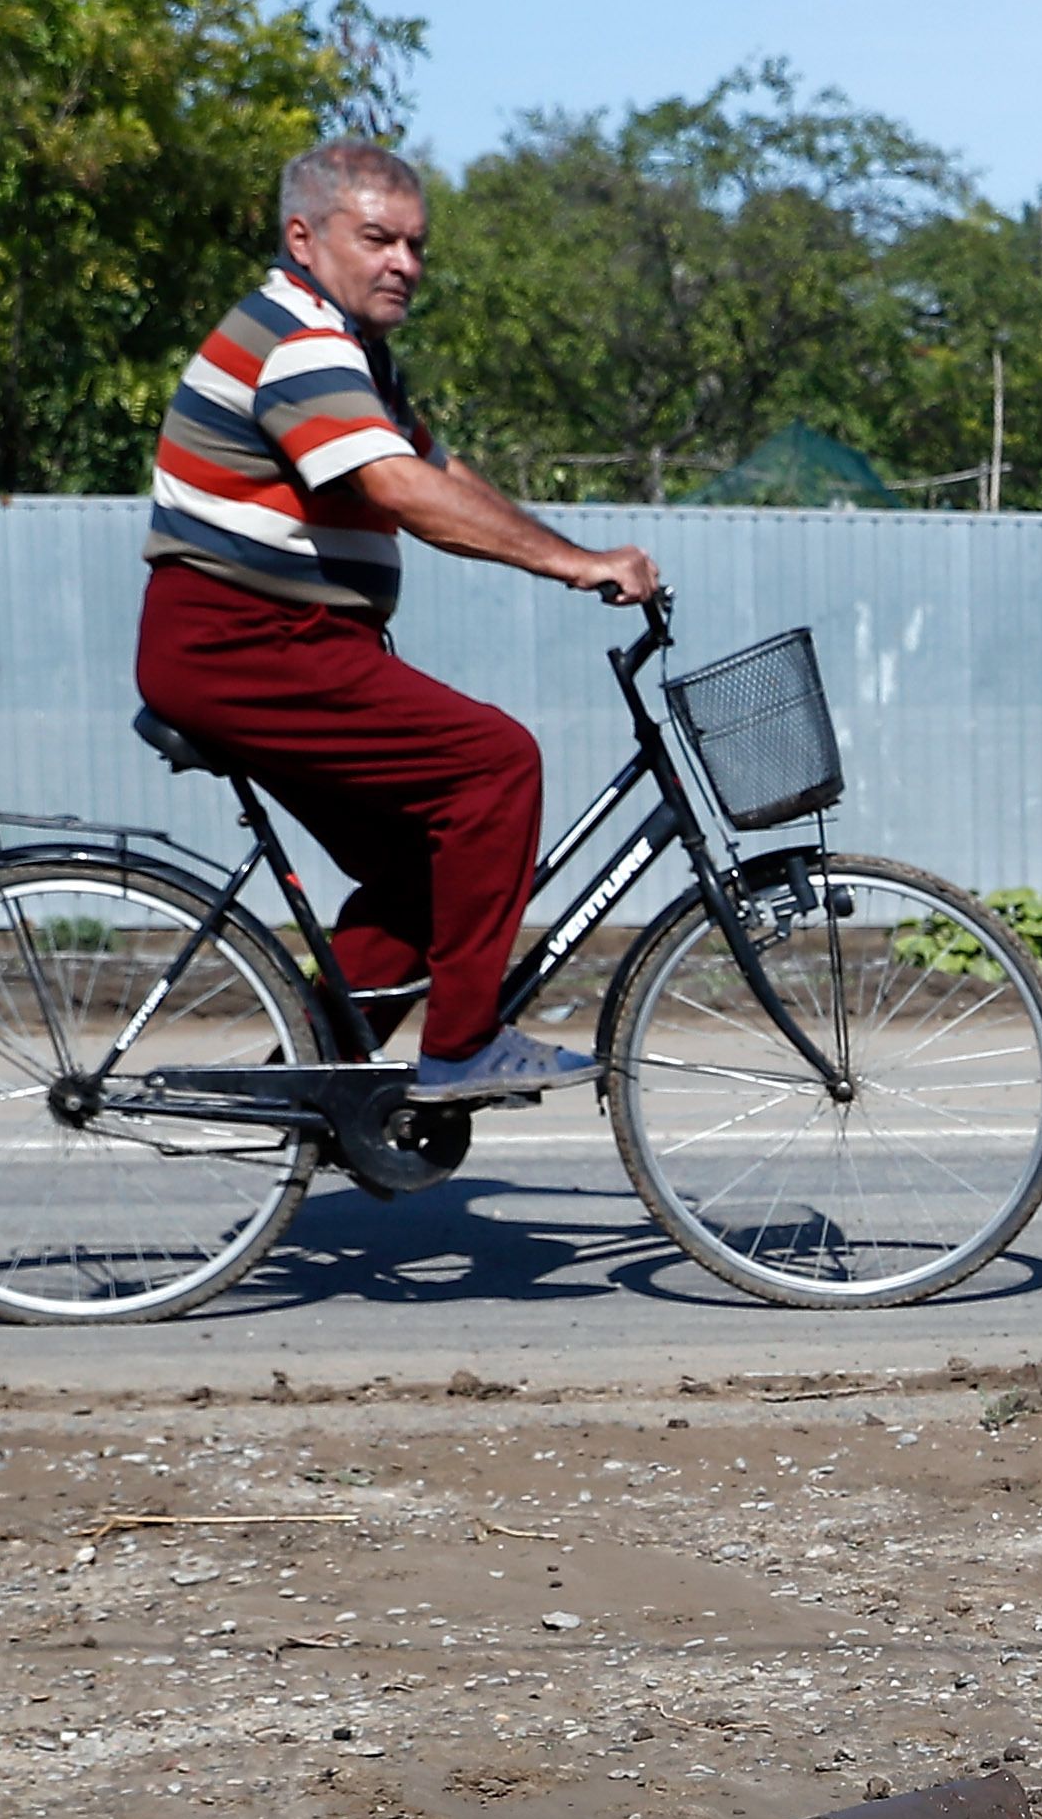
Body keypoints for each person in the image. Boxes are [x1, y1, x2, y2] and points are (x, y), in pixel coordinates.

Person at [134, 137, 660, 1103]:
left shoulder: (353, 354)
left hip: (279, 645)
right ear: (305, 236)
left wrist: (575, 554)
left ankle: (321, 1084)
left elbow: (436, 469)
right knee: (494, 765)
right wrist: (573, 565)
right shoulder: (298, 340)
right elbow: (397, 488)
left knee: (429, 873)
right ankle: (462, 1045)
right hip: (242, 641)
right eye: (378, 239)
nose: (404, 265)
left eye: (416, 246)